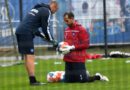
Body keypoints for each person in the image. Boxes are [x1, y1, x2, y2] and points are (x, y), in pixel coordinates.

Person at [15, 1, 58, 85]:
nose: (54, 12)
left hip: (20, 31)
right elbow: (46, 29)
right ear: (54, 7)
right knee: (30, 55)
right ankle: (33, 81)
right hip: (26, 32)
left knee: (27, 56)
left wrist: (44, 37)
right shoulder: (47, 11)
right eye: (56, 10)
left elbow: (34, 28)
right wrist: (52, 41)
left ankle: (32, 80)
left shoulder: (37, 8)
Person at [58, 12, 109, 83]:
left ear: (72, 19)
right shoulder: (66, 30)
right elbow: (65, 44)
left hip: (78, 59)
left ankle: (97, 76)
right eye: (64, 20)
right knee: (68, 81)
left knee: (82, 80)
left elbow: (86, 44)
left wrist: (72, 47)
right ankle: (82, 74)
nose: (65, 22)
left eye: (67, 20)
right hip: (68, 59)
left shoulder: (81, 29)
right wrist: (61, 50)